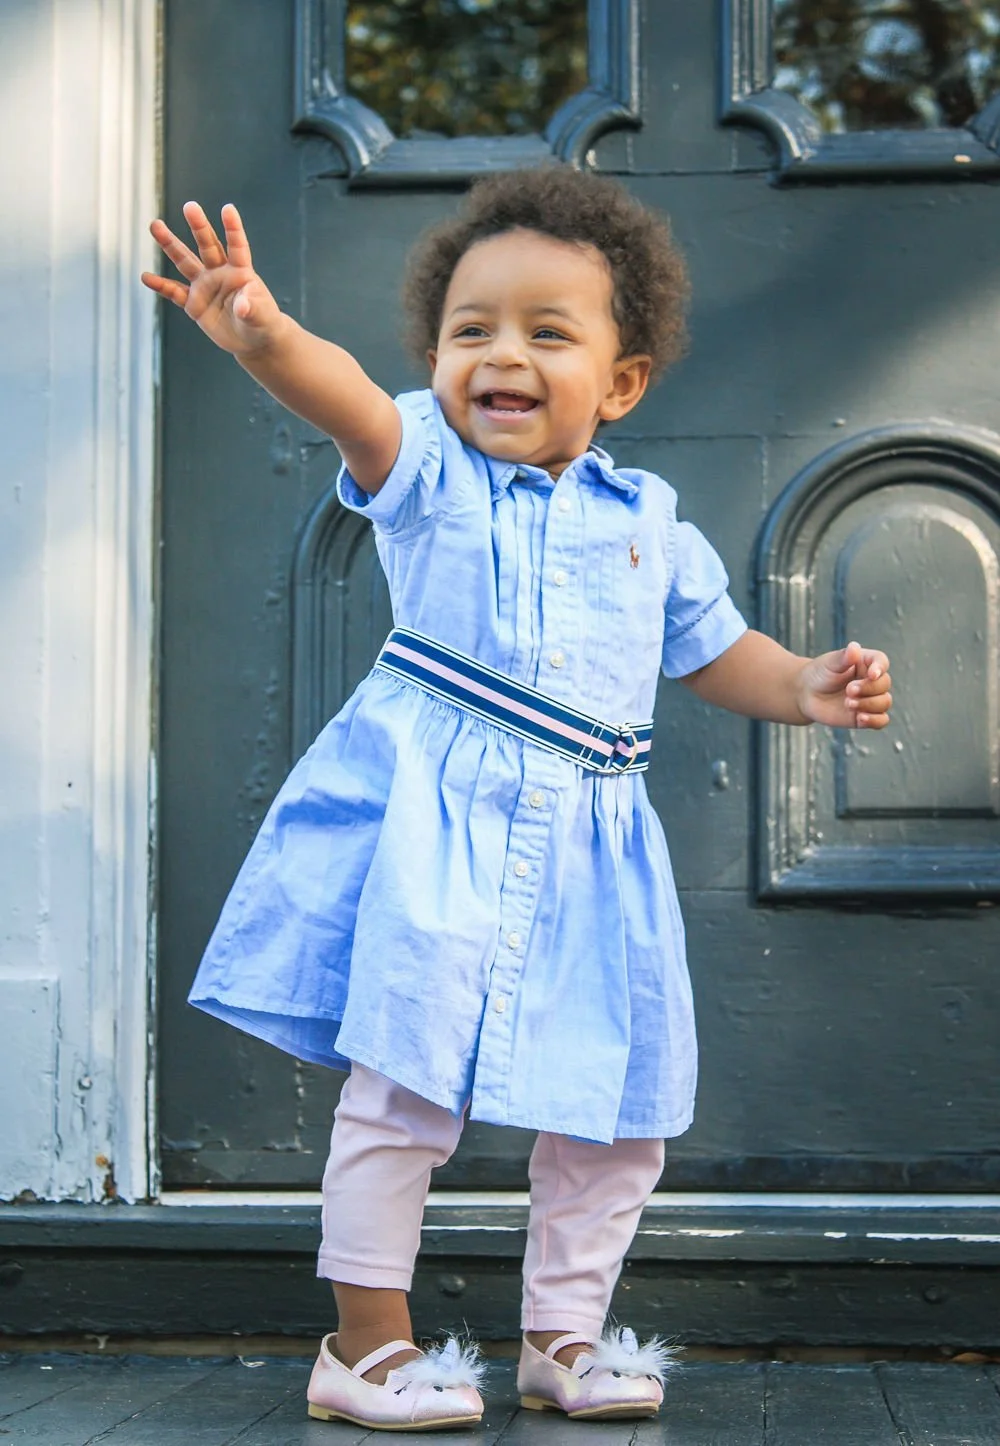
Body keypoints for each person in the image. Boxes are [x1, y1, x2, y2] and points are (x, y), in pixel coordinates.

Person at [143, 167, 892, 1430]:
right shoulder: (428, 471)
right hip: (439, 830)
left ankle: (564, 1339)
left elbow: (711, 653)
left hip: (595, 841)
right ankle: (364, 1346)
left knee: (615, 1108)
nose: (502, 355)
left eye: (549, 333)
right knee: (404, 1086)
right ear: (436, 359)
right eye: (470, 330)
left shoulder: (650, 521)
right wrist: (262, 333)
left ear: (621, 381)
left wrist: (806, 685)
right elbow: (350, 411)